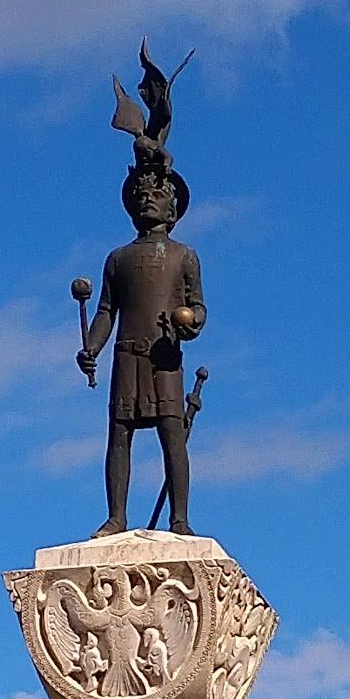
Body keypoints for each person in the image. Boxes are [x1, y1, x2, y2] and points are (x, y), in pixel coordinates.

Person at [77, 139, 205, 536]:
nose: (148, 201)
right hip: (127, 356)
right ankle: (117, 517)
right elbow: (105, 311)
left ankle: (179, 519)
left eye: (157, 196)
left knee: (172, 436)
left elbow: (198, 308)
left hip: (164, 355)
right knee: (119, 435)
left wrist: (190, 324)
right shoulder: (117, 259)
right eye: (142, 196)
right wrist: (91, 347)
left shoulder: (184, 255)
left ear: (173, 208)